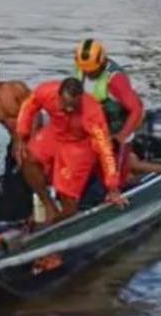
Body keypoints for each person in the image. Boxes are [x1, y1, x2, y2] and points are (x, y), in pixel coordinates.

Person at [13, 77, 124, 223]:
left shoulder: (92, 112)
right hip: (55, 132)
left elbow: (105, 149)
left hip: (79, 144)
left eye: (74, 106)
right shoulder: (46, 91)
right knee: (27, 156)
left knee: (68, 197)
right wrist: (21, 135)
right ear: (58, 96)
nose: (69, 109)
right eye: (65, 104)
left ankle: (60, 222)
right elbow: (29, 105)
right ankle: (49, 206)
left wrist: (112, 187)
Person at [73, 39, 161, 186]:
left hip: (117, 128)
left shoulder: (115, 80)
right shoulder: (81, 70)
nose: (88, 74)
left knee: (120, 170)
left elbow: (136, 109)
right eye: (85, 70)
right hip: (94, 128)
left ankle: (158, 171)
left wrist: (121, 136)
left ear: (102, 62)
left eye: (92, 71)